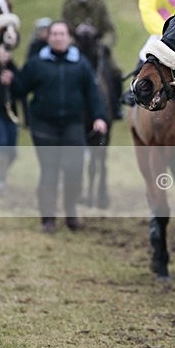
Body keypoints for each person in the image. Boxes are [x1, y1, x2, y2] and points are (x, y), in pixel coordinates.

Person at [7, 20, 107, 233]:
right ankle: (48, 219)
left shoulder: (80, 64)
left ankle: (71, 212)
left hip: (73, 124)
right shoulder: (37, 63)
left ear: (68, 38)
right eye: (54, 34)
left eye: (62, 34)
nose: (58, 37)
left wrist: (99, 117)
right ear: (49, 37)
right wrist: (11, 79)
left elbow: (93, 94)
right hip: (44, 126)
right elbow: (20, 88)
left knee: (74, 170)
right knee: (49, 171)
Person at [61, 0, 123, 120]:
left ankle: (116, 107)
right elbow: (64, 29)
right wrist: (71, 43)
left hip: (97, 48)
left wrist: (104, 45)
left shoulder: (99, 5)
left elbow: (110, 31)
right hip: (76, 49)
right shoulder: (68, 7)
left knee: (116, 72)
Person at [0, 40, 21, 193]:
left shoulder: (12, 68)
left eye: (7, 52)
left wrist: (12, 80)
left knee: (12, 151)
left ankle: (2, 173)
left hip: (11, 114)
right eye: (1, 52)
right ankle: (0, 179)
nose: (4, 55)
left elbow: (21, 91)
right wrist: (1, 82)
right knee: (3, 143)